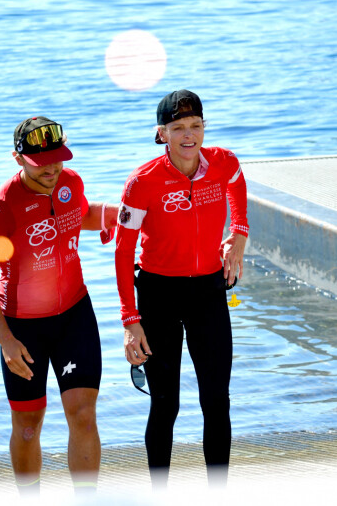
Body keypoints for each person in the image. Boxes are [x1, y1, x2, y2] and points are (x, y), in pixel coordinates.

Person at [0, 116, 117, 496]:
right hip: (23, 329)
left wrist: (115, 216)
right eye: (42, 163)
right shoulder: (2, 210)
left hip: (74, 316)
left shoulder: (70, 183)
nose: (53, 169)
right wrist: (5, 341)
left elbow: (77, 215)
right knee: (27, 426)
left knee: (83, 415)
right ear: (18, 159)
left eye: (58, 158)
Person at [115, 90, 249, 489]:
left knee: (216, 401)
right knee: (165, 404)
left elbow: (238, 183)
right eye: (178, 128)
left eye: (195, 126)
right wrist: (129, 320)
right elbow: (123, 254)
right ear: (162, 134)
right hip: (158, 296)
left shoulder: (223, 162)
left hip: (209, 292)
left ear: (204, 126)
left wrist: (239, 232)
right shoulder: (142, 182)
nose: (188, 136)